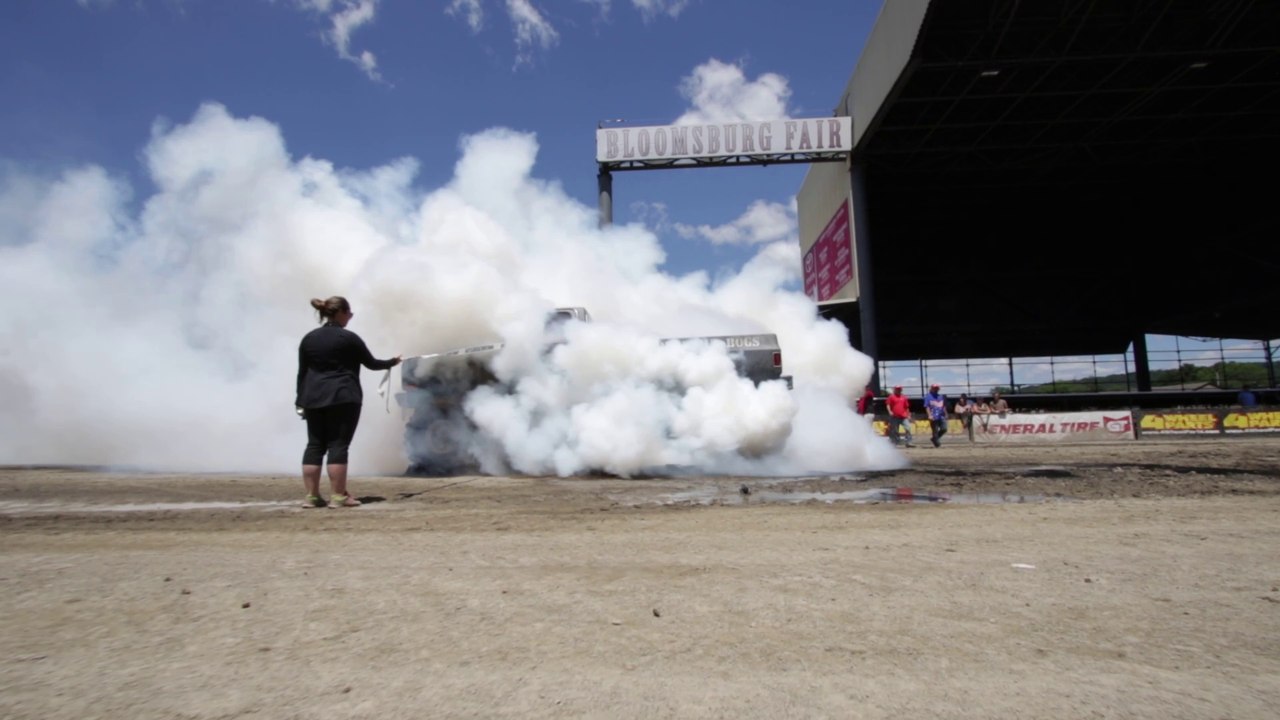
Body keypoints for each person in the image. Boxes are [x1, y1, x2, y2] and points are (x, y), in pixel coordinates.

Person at [296, 296, 401, 509]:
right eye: (349, 313)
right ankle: (338, 497)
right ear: (341, 312)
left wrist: (299, 400)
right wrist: (393, 362)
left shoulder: (309, 339)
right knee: (338, 445)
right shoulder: (349, 338)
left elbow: (302, 373)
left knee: (314, 445)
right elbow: (372, 364)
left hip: (312, 397)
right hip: (343, 397)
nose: (350, 317)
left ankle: (312, 496)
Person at [923, 383, 948, 447]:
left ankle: (934, 439)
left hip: (941, 415)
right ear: (932, 389)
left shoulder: (941, 397)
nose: (936, 389)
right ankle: (936, 443)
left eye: (937, 388)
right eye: (934, 388)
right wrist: (929, 415)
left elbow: (943, 406)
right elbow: (927, 407)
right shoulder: (928, 397)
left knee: (944, 428)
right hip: (933, 416)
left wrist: (945, 413)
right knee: (935, 430)